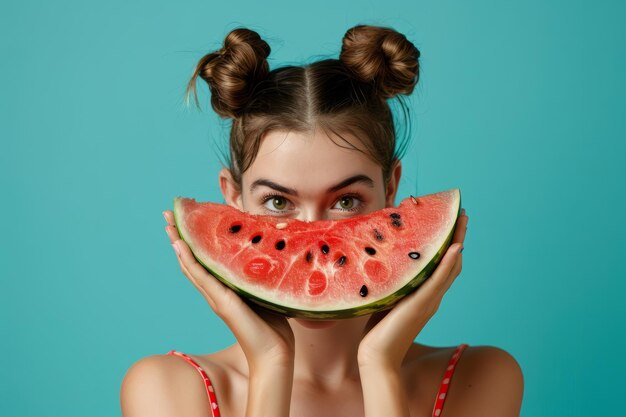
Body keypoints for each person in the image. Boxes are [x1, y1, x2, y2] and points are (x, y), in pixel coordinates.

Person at [120, 25, 523, 417]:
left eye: (346, 201)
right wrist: (270, 363)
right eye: (278, 201)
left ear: (392, 188)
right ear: (231, 197)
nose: (315, 237)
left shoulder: (480, 378)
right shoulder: (166, 389)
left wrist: (379, 365)